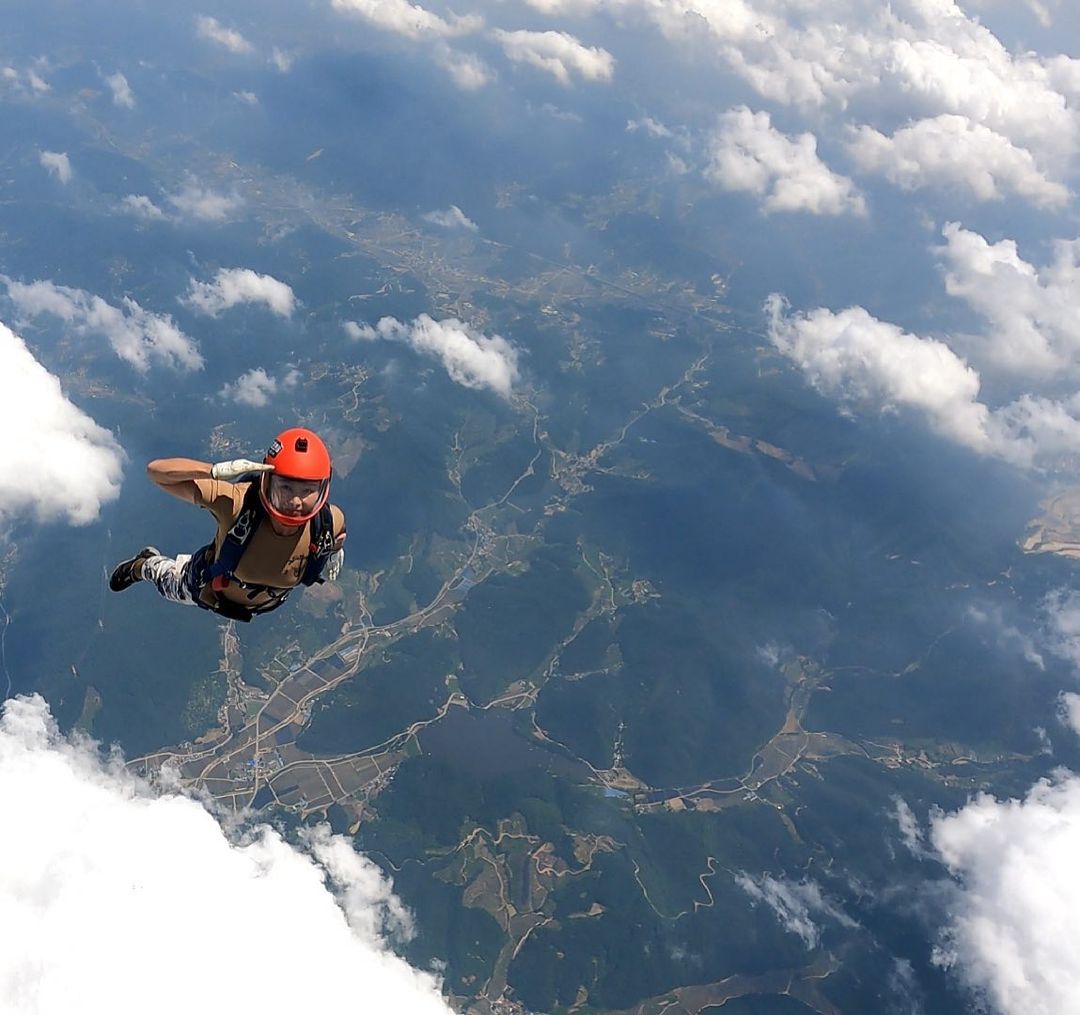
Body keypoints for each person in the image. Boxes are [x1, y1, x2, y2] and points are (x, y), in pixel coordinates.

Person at [109, 427, 347, 622]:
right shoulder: (237, 503)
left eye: (307, 491)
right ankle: (142, 565)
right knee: (168, 583)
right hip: (208, 588)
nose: (295, 501)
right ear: (267, 481)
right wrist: (212, 471)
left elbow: (339, 534)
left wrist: (333, 551)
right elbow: (156, 473)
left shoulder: (327, 523)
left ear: (322, 490)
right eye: (285, 487)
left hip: (260, 602)